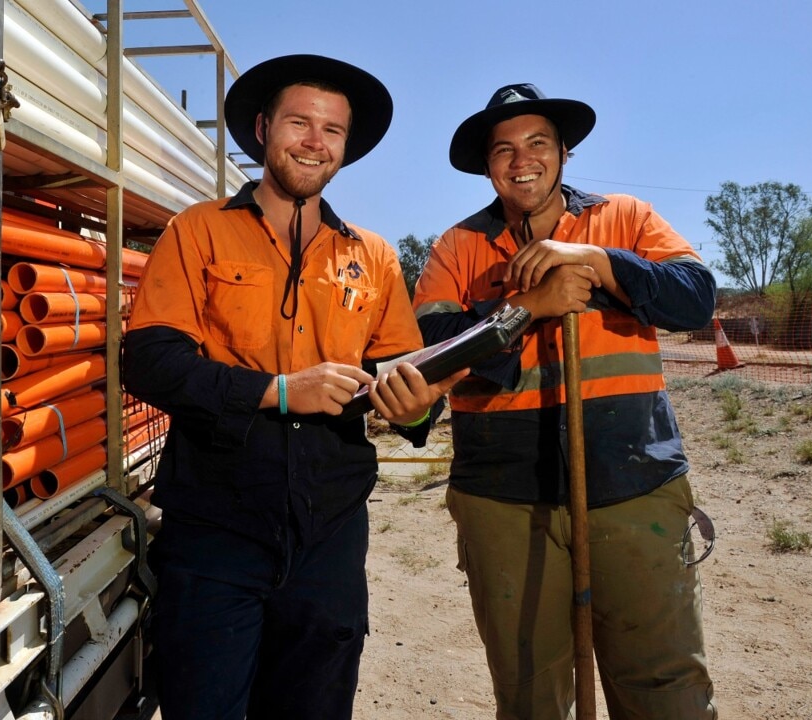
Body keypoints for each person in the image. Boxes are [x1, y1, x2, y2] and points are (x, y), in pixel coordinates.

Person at [122, 54, 464, 720]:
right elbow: (150, 362)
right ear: (262, 130)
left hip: (330, 537)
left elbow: (404, 371)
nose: (314, 141)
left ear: (345, 147)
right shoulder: (197, 232)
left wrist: (419, 403)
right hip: (215, 529)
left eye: (331, 130)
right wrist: (278, 392)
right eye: (299, 122)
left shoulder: (373, 256)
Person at [412, 83, 719, 719]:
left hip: (636, 483)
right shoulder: (456, 248)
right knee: (529, 694)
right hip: (502, 497)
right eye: (503, 150)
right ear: (487, 165)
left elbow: (693, 298)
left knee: (665, 687)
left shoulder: (626, 218)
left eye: (537, 143)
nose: (521, 159)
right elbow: (433, 351)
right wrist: (524, 308)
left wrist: (599, 263)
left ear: (565, 153)